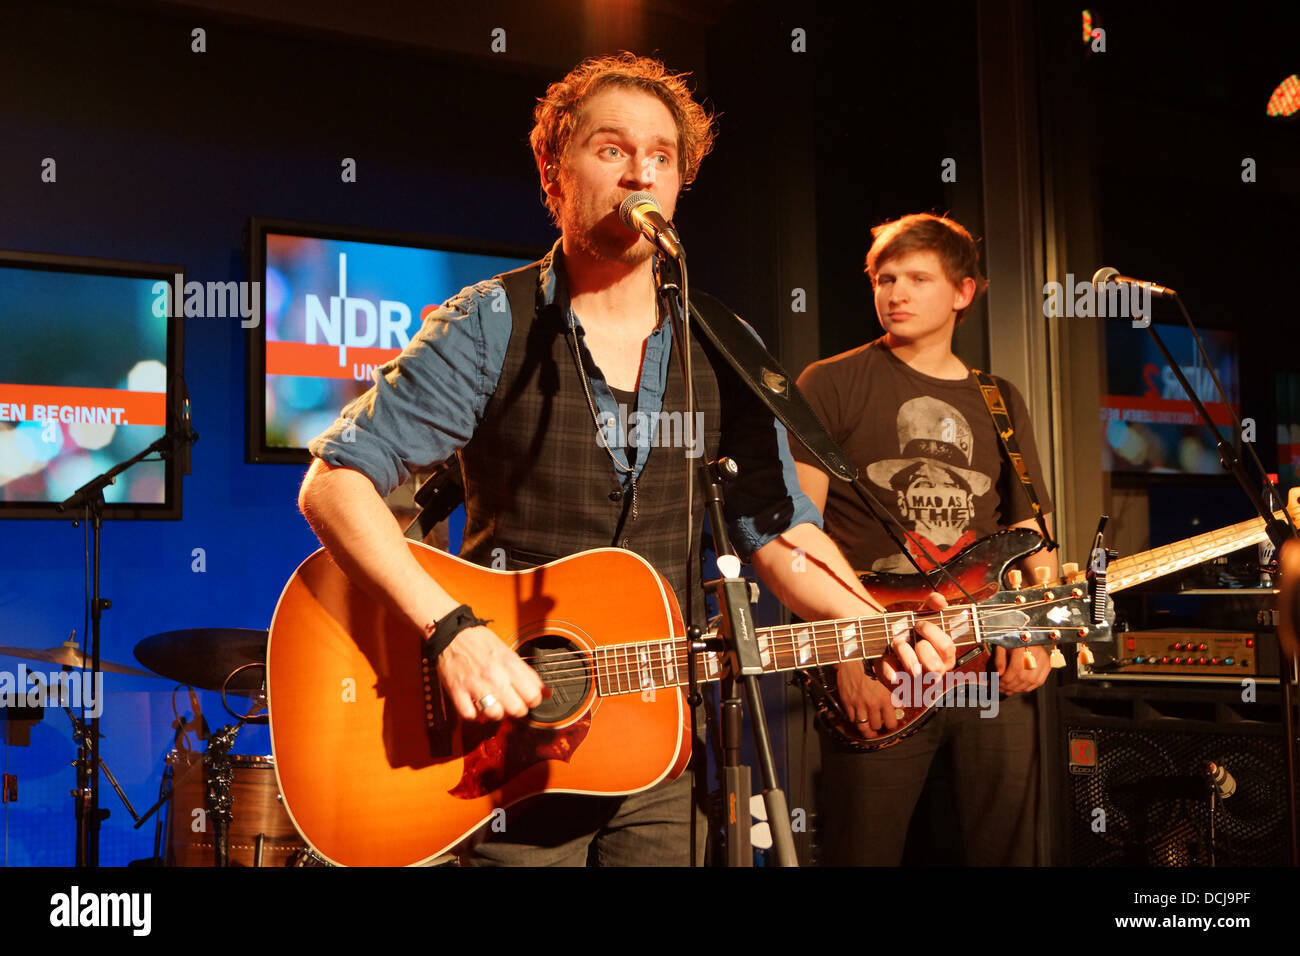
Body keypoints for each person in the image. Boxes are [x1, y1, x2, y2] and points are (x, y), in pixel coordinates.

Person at [296, 54, 955, 867]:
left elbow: (778, 531)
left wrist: (870, 623)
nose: (640, 171)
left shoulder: (726, 347)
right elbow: (337, 483)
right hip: (505, 751)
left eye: (662, 156)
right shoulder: (487, 324)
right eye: (611, 150)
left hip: (659, 750)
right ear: (554, 172)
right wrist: (451, 631)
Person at [790, 213, 1057, 866]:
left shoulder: (999, 399)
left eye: (917, 277)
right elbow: (797, 532)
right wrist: (846, 662)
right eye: (885, 278)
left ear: (964, 292)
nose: (895, 292)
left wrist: (1036, 634)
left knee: (1005, 853)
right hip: (881, 665)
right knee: (865, 852)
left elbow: (1029, 534)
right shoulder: (829, 382)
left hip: (987, 666)